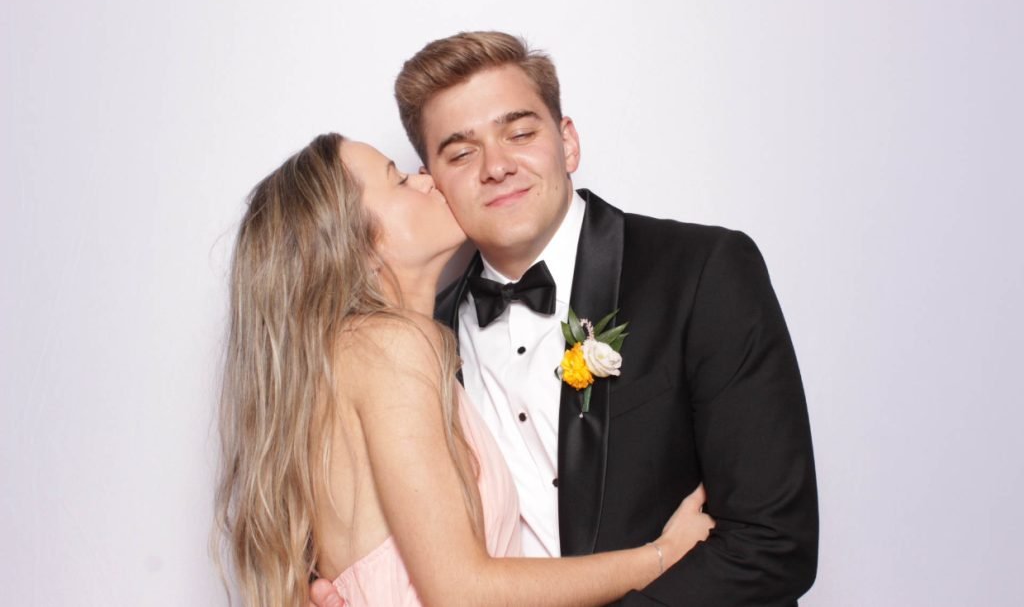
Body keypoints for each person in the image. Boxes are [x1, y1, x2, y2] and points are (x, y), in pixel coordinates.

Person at [311, 31, 818, 606]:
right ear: (432, 180)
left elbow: (773, 542)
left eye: (520, 133)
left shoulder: (703, 272)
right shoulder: (416, 340)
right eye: (460, 153)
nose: (496, 167)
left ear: (568, 143)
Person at [214, 132, 715, 607]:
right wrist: (661, 557)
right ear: (360, 248)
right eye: (398, 179)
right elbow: (464, 593)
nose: (427, 179)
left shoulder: (364, 356)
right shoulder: (389, 347)